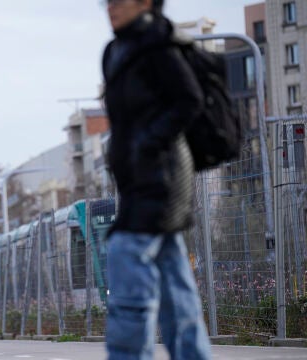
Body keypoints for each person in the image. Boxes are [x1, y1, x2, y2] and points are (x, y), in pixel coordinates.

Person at [101, 0, 211, 359]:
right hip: (137, 180)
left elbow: (190, 99)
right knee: (175, 285)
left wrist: (147, 145)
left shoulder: (157, 45)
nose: (110, 8)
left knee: (125, 258)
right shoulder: (116, 50)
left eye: (118, 1)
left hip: (161, 179)